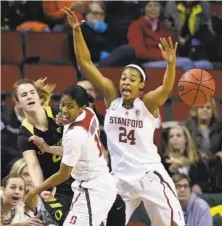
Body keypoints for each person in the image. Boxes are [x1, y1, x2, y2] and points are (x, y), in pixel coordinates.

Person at [63, 7, 185, 226]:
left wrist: (171, 64)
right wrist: (76, 31)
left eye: (132, 79)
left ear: (141, 86)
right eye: (124, 78)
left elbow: (166, 88)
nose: (126, 82)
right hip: (119, 179)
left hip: (148, 175)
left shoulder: (146, 104)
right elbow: (86, 64)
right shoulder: (112, 99)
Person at [24, 85, 117, 226]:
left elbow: (63, 174)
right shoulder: (89, 113)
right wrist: (48, 148)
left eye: (70, 106)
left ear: (81, 108)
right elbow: (77, 151)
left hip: (93, 189)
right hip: (94, 184)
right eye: (62, 104)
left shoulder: (76, 134)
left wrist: (34, 192)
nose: (64, 110)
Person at [13, 78, 74, 225]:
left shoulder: (58, 115)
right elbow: (34, 166)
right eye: (24, 95)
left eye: (32, 92)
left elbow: (77, 149)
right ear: (18, 103)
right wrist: (41, 189)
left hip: (79, 176)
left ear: (38, 97)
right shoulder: (25, 136)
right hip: (56, 189)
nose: (29, 96)